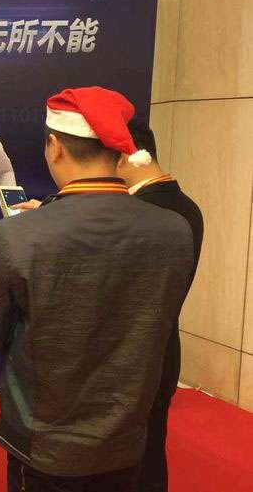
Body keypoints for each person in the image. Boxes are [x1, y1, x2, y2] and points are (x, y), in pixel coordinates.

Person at [0, 87, 195, 492]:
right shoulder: (175, 230)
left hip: (43, 443)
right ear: (119, 152)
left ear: (55, 146)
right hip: (127, 439)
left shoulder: (16, 236)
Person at [116, 121, 204, 492]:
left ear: (124, 156)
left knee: (129, 462)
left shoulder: (140, 214)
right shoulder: (186, 207)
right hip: (164, 350)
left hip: (130, 361)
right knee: (151, 451)